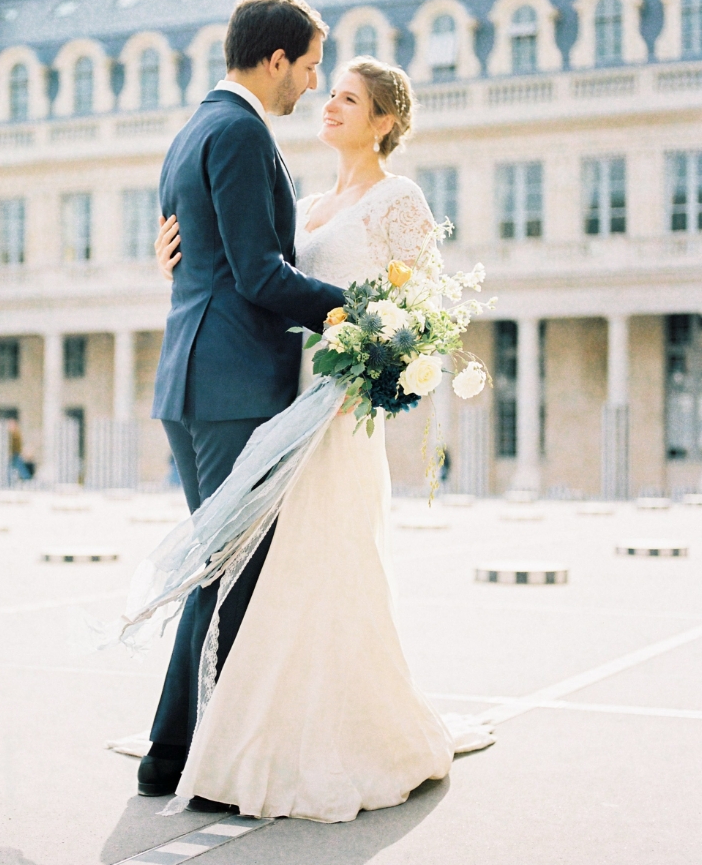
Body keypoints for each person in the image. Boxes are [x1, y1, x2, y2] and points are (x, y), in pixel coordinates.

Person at [151, 55, 494, 822]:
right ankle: (251, 729)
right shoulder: (304, 205)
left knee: (330, 564)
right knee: (270, 575)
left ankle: (330, 732)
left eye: (348, 99)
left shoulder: (400, 198)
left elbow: (426, 312)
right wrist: (179, 261)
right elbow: (256, 280)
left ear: (384, 122)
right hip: (282, 405)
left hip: (340, 414)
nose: (328, 104)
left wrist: (376, 362)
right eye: (328, 91)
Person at [140, 0, 345, 806]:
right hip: (230, 383)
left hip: (193, 378)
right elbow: (259, 275)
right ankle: (204, 762)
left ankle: (173, 753)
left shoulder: (192, 131)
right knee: (235, 573)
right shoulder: (238, 132)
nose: (313, 82)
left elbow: (195, 258)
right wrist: (361, 311)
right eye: (310, 65)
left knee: (219, 568)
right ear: (275, 59)